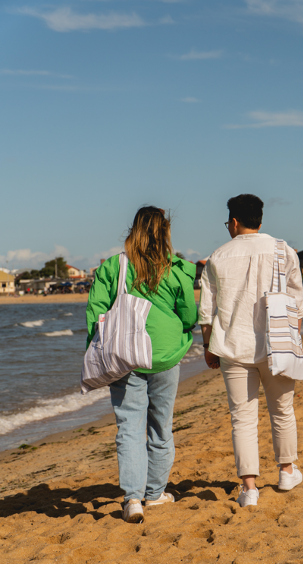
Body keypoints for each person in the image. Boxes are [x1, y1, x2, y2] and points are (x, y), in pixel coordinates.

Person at [86, 206, 197, 523]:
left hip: (124, 356)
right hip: (164, 354)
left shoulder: (113, 267)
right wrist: (178, 332)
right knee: (161, 428)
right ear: (166, 232)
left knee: (129, 428)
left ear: (133, 231)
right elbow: (188, 314)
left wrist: (96, 354)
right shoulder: (176, 269)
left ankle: (133, 499)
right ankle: (154, 494)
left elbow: (95, 314)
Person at [198, 194, 303, 507]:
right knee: (283, 411)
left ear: (233, 222)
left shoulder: (218, 256)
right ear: (260, 219)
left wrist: (208, 346)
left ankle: (249, 488)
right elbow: (296, 303)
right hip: (277, 345)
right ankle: (286, 471)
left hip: (232, 347)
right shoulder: (283, 250)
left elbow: (207, 310)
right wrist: (292, 339)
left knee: (242, 419)